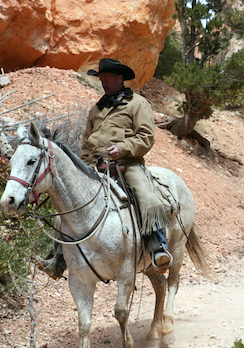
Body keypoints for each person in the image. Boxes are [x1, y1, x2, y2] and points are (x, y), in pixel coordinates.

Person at [39, 58, 173, 279]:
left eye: (107, 79)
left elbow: (146, 138)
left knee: (147, 198)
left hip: (127, 164)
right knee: (67, 207)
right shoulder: (97, 108)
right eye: (101, 79)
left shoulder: (138, 104)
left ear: (120, 78)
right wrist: (81, 167)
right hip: (95, 167)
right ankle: (58, 258)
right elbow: (86, 142)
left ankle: (158, 246)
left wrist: (122, 149)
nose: (103, 83)